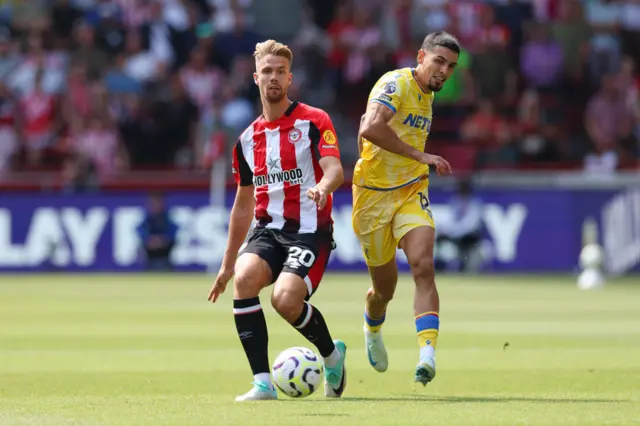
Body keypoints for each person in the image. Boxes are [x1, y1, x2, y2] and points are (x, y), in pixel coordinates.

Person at [207, 40, 347, 402]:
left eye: (280, 72)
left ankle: (332, 356)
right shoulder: (246, 140)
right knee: (245, 277)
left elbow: (334, 170)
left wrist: (321, 187)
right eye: (266, 71)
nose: (273, 77)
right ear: (256, 78)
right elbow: (242, 206)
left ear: (290, 79)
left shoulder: (315, 121)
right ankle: (263, 384)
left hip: (310, 232)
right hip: (267, 229)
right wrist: (226, 265)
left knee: (285, 300)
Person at [352, 31, 458, 385]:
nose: (444, 70)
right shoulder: (396, 83)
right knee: (384, 290)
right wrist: (421, 155)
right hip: (372, 198)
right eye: (439, 61)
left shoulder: (427, 94)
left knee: (423, 265)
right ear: (421, 57)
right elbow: (369, 127)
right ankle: (372, 328)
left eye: (451, 66)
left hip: (412, 189)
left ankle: (427, 354)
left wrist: (418, 164)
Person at [435, 179, 484, 272]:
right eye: (460, 190)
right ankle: (439, 266)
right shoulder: (455, 202)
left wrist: (454, 232)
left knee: (470, 237)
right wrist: (447, 230)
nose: (462, 192)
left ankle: (465, 266)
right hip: (457, 233)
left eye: (464, 190)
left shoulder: (474, 204)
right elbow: (451, 219)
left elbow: (469, 225)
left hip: (469, 235)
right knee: (440, 238)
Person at [136, 193, 178, 270]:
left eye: (157, 203)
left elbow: (173, 230)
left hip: (165, 252)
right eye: (153, 203)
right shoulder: (148, 218)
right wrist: (150, 239)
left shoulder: (166, 218)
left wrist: (162, 239)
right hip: (150, 254)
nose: (155, 206)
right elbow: (140, 230)